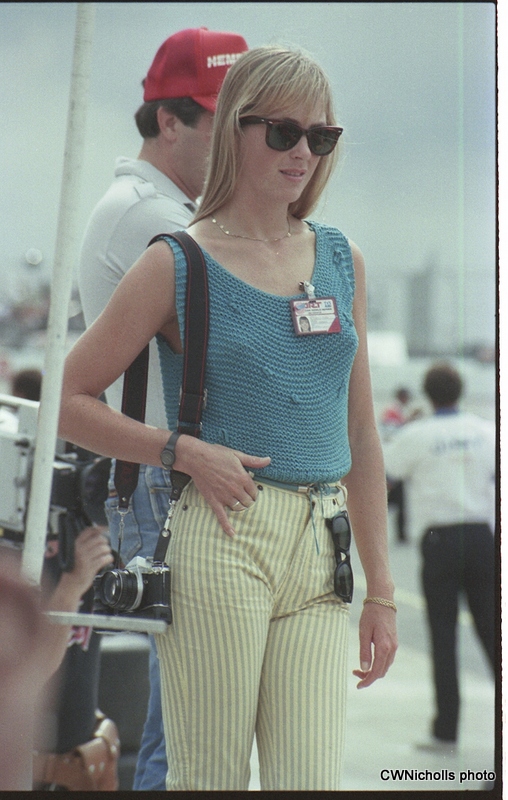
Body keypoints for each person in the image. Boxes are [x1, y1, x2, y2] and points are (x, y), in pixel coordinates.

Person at [60, 44, 398, 791]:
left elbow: (360, 433)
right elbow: (69, 399)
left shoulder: (341, 260)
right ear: (234, 130)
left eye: (321, 136)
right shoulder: (178, 260)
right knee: (208, 778)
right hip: (222, 533)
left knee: (309, 780)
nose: (303, 152)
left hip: (323, 544)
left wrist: (382, 590)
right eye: (283, 132)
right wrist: (178, 450)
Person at [78, 27, 248, 791]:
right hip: (167, 472)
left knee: (187, 713)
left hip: (167, 469)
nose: (243, 141)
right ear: (169, 120)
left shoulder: (163, 209)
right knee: (192, 720)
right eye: (227, 122)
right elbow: (235, 337)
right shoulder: (152, 217)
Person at [383, 362, 496, 753]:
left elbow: (386, 479)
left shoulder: (417, 435)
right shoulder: (485, 431)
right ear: (460, 391)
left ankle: (446, 731)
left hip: (439, 540)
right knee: (494, 635)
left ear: (428, 394)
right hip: (481, 537)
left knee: (443, 636)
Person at [0, 528, 114, 790]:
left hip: (83, 765)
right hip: (26, 774)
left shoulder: (86, 530)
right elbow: (28, 675)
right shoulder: (11, 546)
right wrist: (71, 587)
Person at [379, 387, 421, 543]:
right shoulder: (392, 411)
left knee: (396, 499)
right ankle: (400, 534)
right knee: (397, 499)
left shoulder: (397, 411)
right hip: (392, 461)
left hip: (395, 461)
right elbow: (392, 434)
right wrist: (410, 420)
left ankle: (400, 534)